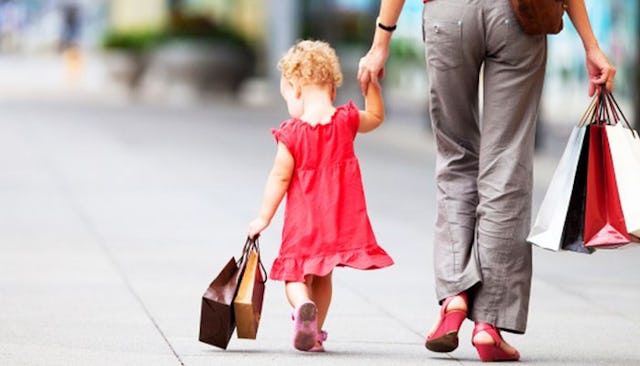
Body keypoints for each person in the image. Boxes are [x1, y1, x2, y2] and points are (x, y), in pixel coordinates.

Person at [357, 0, 616, 362]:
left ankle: (455, 296)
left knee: (456, 156)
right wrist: (591, 45)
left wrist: (381, 41)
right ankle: (488, 324)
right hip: (517, 16)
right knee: (506, 164)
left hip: (448, 16)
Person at [248, 40, 394, 352]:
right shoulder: (346, 121)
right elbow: (377, 117)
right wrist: (371, 86)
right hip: (337, 222)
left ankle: (301, 305)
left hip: (303, 224)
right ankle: (315, 333)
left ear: (294, 88)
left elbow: (280, 176)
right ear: (332, 88)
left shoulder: (293, 133)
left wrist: (264, 216)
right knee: (324, 276)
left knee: (296, 275)